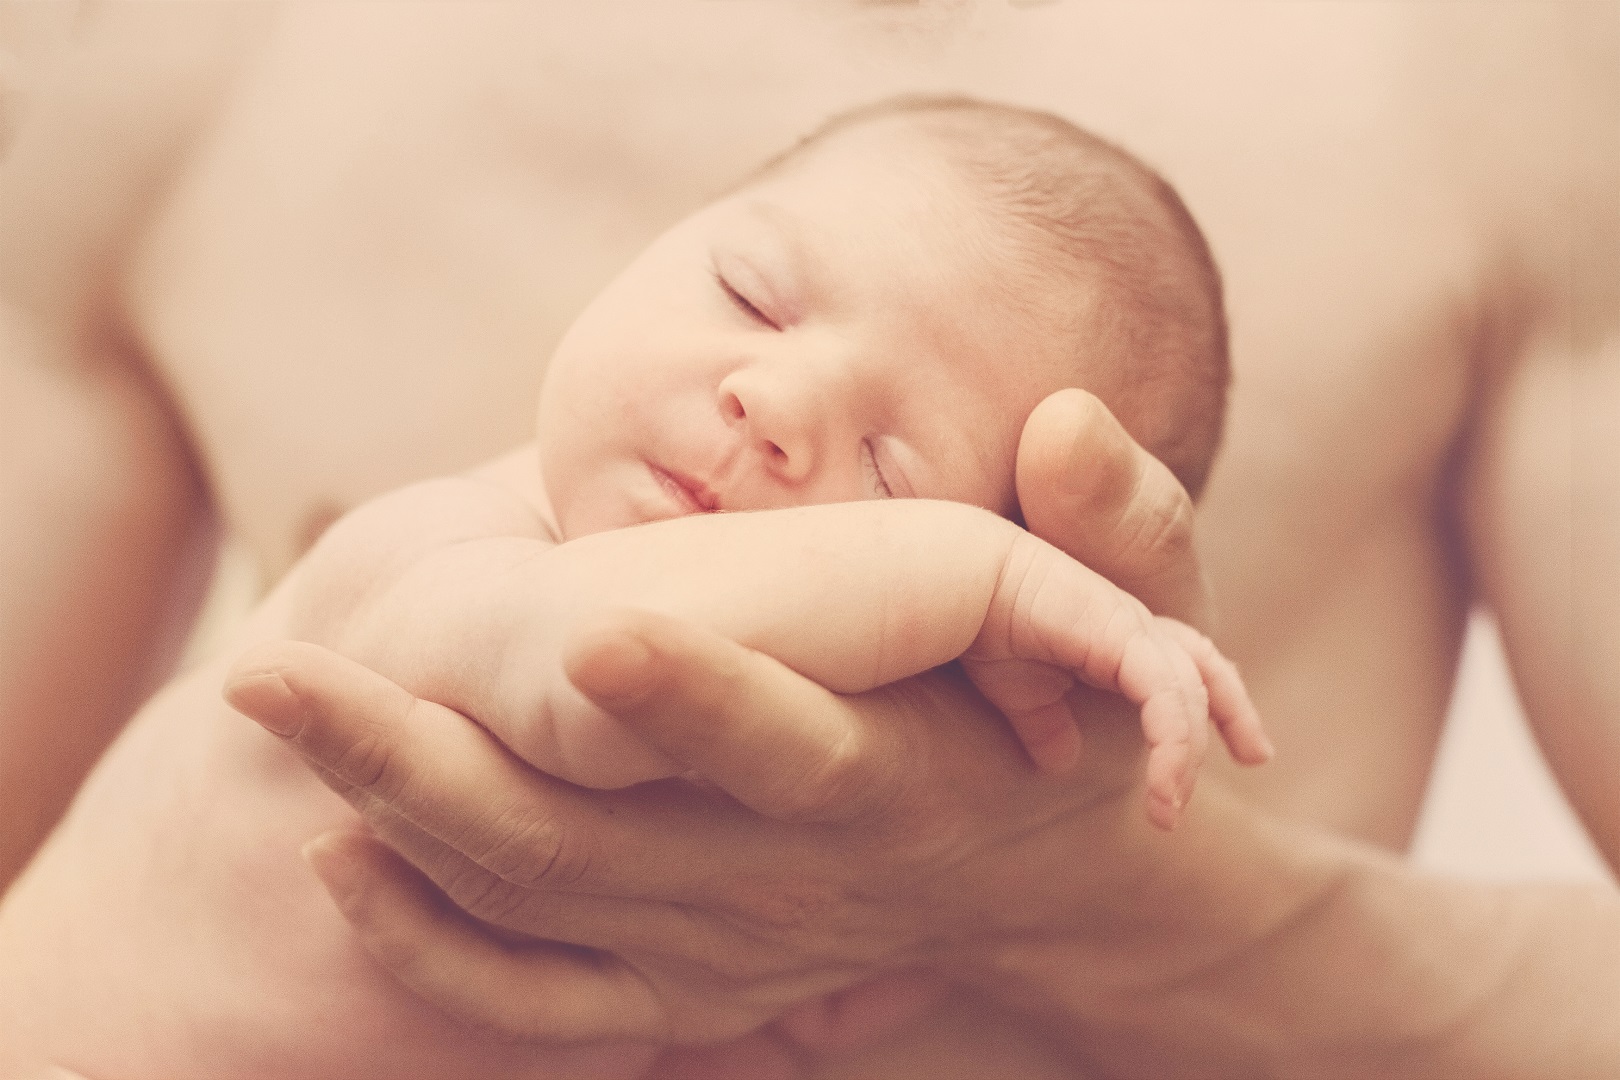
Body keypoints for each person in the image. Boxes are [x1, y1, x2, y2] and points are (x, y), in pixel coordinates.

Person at [2, 4, 1615, 1077]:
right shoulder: (150, 50)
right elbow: (596, 656)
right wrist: (125, 941)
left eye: (906, 471)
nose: (772, 403)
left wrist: (1163, 921)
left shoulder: (1497, 69)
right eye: (750, 294)